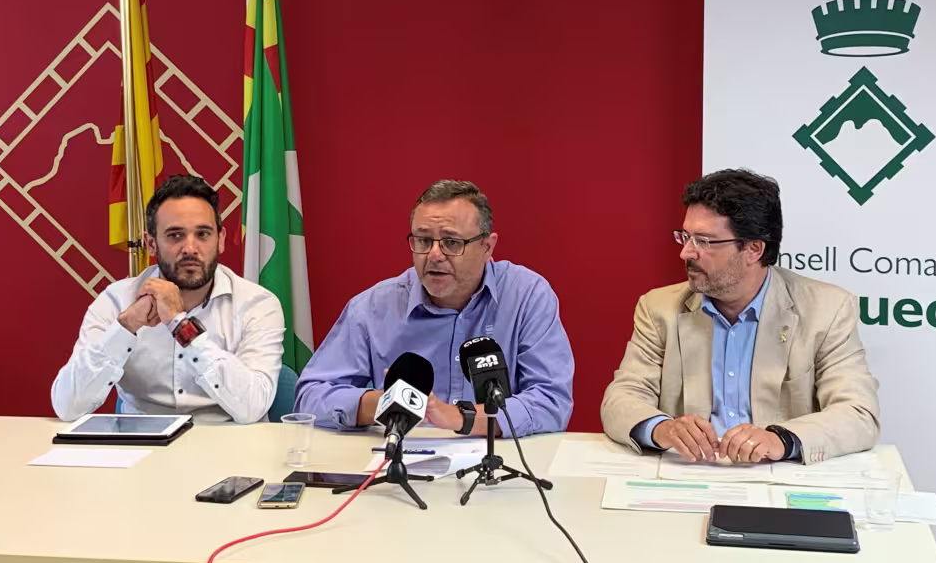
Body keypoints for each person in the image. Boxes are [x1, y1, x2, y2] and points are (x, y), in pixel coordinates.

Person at [601, 169, 879, 464]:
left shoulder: (827, 309)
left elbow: (858, 413)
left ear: (753, 249)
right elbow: (622, 397)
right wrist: (662, 428)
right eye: (685, 237)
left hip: (778, 476)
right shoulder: (659, 308)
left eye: (704, 241)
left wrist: (781, 439)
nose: (686, 253)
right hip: (690, 472)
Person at [296, 179, 574, 439]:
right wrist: (384, 403)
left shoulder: (526, 297)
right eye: (423, 240)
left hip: (498, 461)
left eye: (451, 242)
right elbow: (310, 397)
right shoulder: (374, 307)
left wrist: (458, 417)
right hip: (402, 458)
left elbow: (551, 401)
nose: (434, 255)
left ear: (487, 247)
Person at [51, 175, 285, 424]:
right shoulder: (116, 301)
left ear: (221, 240)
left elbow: (252, 408)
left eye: (203, 234)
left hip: (230, 441)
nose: (190, 248)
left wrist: (180, 324)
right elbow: (68, 406)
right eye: (175, 235)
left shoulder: (257, 304)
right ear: (151, 244)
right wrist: (126, 327)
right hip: (141, 443)